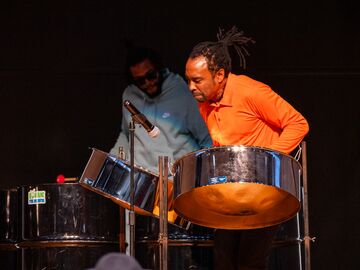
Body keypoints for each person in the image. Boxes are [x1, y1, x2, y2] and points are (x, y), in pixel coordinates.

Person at [185, 26, 309, 270]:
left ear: (219, 75)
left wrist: (266, 161)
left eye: (197, 80)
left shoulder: (251, 92)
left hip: (264, 192)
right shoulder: (206, 102)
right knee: (223, 260)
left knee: (250, 262)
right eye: (188, 79)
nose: (191, 87)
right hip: (235, 192)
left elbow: (298, 123)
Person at [110, 45, 212, 174]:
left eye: (151, 75)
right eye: (140, 81)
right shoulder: (129, 96)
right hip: (139, 178)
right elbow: (126, 135)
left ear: (159, 69)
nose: (148, 83)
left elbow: (206, 140)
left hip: (175, 179)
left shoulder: (183, 93)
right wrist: (110, 161)